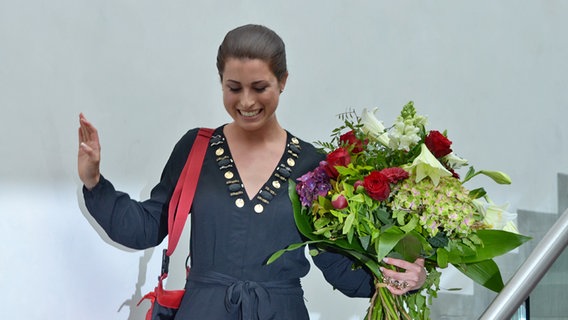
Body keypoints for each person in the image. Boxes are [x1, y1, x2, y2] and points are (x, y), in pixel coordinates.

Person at [78, 24, 426, 319]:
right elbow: (147, 227)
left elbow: (338, 264)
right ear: (221, 83)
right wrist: (94, 180)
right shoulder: (196, 147)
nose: (246, 101)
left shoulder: (314, 165)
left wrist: (402, 276)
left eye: (259, 88)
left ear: (283, 81)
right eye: (233, 88)